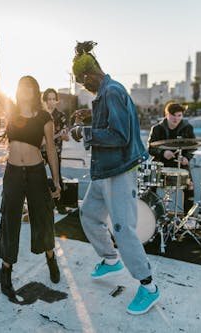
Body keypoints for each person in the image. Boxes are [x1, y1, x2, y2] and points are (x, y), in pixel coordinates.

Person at [70, 41, 160, 315]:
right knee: (89, 214)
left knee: (123, 229)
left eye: (82, 83)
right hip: (105, 171)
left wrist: (83, 133)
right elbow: (110, 120)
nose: (83, 88)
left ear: (88, 75)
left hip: (119, 171)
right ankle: (111, 260)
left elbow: (119, 136)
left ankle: (149, 286)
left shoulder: (110, 92)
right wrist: (91, 114)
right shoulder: (108, 92)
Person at [0, 35, 62, 302]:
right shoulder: (11, 109)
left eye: (29, 87)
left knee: (43, 218)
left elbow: (51, 150)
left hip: (36, 173)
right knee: (10, 218)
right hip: (13, 173)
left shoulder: (45, 116)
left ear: (35, 90)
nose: (24, 90)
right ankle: (6, 269)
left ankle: (50, 257)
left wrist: (56, 180)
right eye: (21, 86)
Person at [147, 102, 196, 214]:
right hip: (160, 162)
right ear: (167, 114)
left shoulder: (187, 128)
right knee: (150, 186)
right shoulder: (157, 129)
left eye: (179, 115)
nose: (176, 118)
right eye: (173, 115)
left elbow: (193, 147)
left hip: (180, 162)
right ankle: (150, 214)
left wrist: (187, 158)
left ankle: (188, 218)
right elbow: (150, 148)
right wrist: (163, 153)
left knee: (190, 186)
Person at [41, 88, 70, 214]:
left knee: (57, 178)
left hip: (55, 151)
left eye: (54, 99)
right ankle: (43, 205)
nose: (51, 102)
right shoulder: (40, 115)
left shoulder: (61, 116)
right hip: (40, 152)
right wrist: (57, 135)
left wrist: (63, 135)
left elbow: (66, 137)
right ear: (45, 100)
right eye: (49, 99)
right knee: (38, 178)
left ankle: (60, 206)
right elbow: (41, 139)